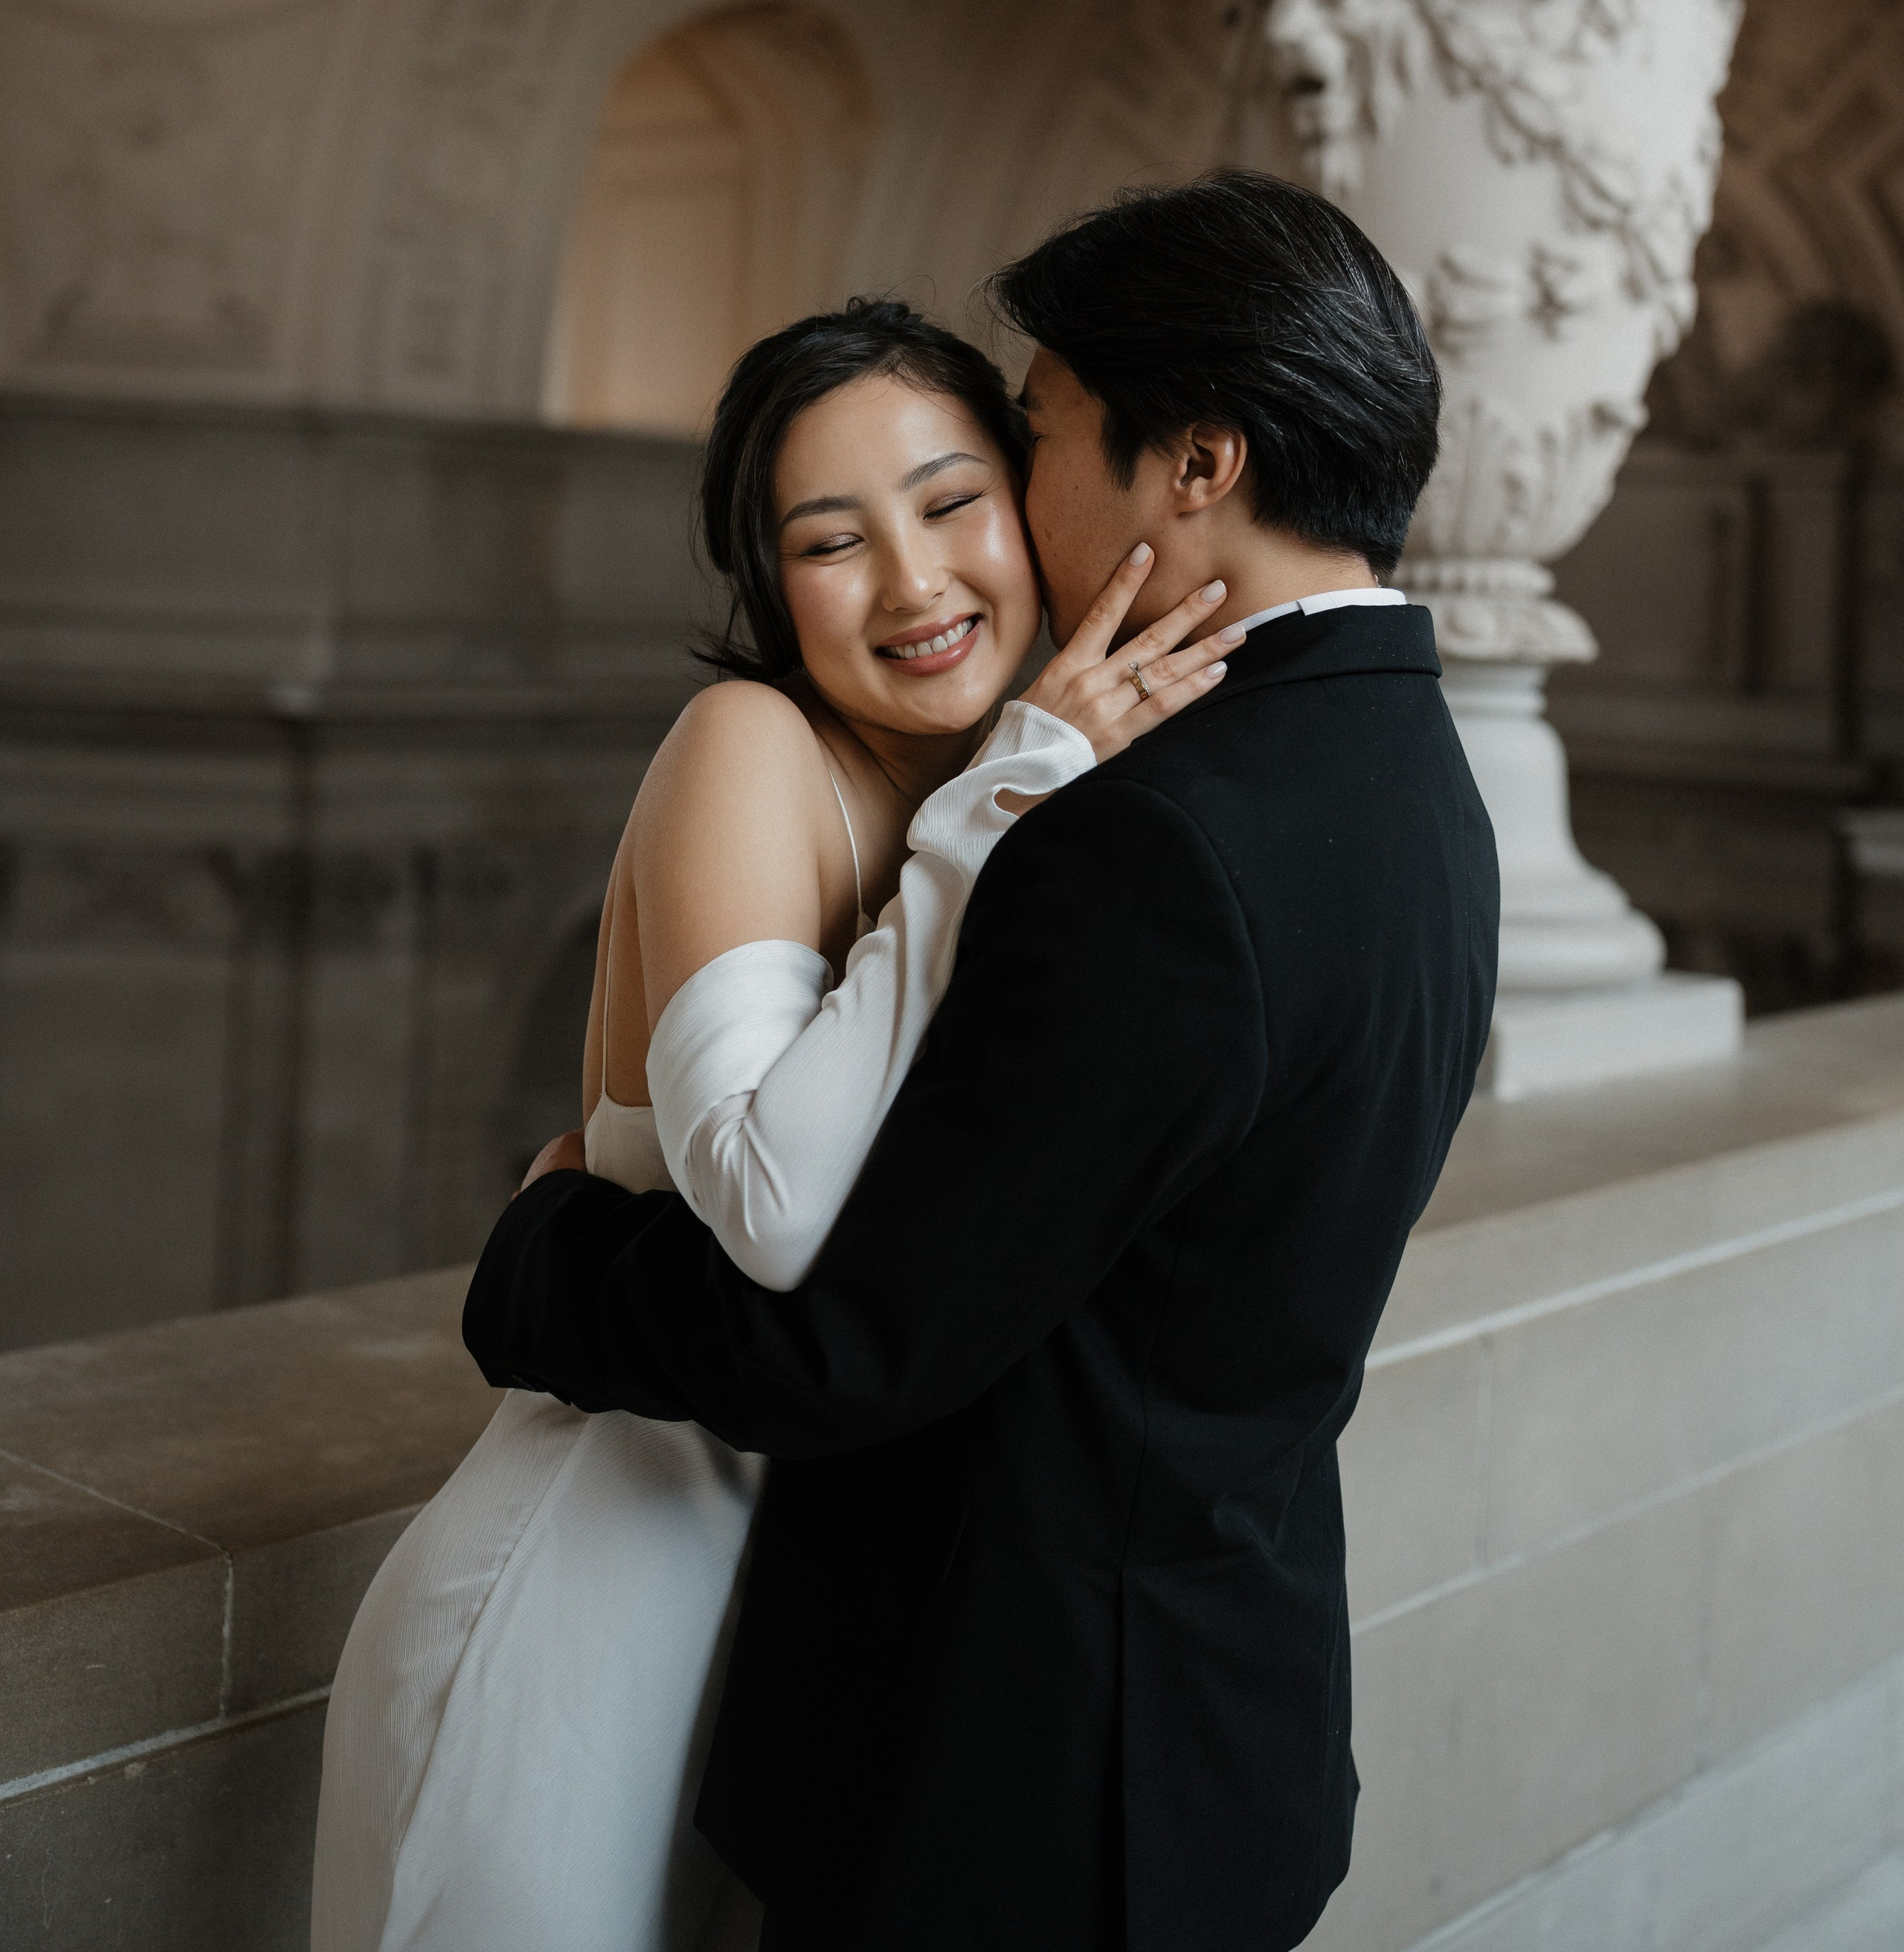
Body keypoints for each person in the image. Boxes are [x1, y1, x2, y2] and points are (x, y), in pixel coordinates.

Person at [466, 170, 1500, 1952]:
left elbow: (845, 1338)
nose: (1018, 492)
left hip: (1017, 1798)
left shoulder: (1157, 842)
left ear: (1195, 464)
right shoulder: (1414, 777)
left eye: (1037, 434)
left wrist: (544, 1262)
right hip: (1208, 1727)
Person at [312, 298, 1235, 1952]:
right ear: (765, 582)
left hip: (819, 1631)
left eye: (950, 503)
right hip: (596, 1588)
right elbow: (767, 1202)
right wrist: (1002, 797)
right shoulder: (756, 745)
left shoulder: (1035, 793)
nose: (913, 582)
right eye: (831, 540)